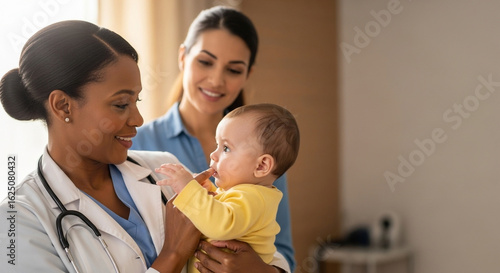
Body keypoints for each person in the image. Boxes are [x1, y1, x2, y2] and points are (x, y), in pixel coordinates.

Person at [0, 20, 290, 273]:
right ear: (63, 105)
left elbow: (258, 244)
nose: (138, 119)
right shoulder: (19, 220)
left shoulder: (162, 168)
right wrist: (172, 257)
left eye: (136, 102)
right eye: (120, 104)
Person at [131, 6, 297, 271]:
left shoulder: (266, 154)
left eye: (233, 70)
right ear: (183, 57)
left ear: (247, 75)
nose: (216, 80)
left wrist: (260, 270)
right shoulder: (137, 144)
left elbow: (283, 250)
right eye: (206, 62)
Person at [156, 103, 300, 273]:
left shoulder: (255, 198)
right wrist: (207, 191)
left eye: (226, 148)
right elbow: (226, 209)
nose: (213, 154)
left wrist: (189, 190)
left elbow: (221, 224)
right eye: (217, 145)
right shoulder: (245, 194)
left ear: (261, 166)